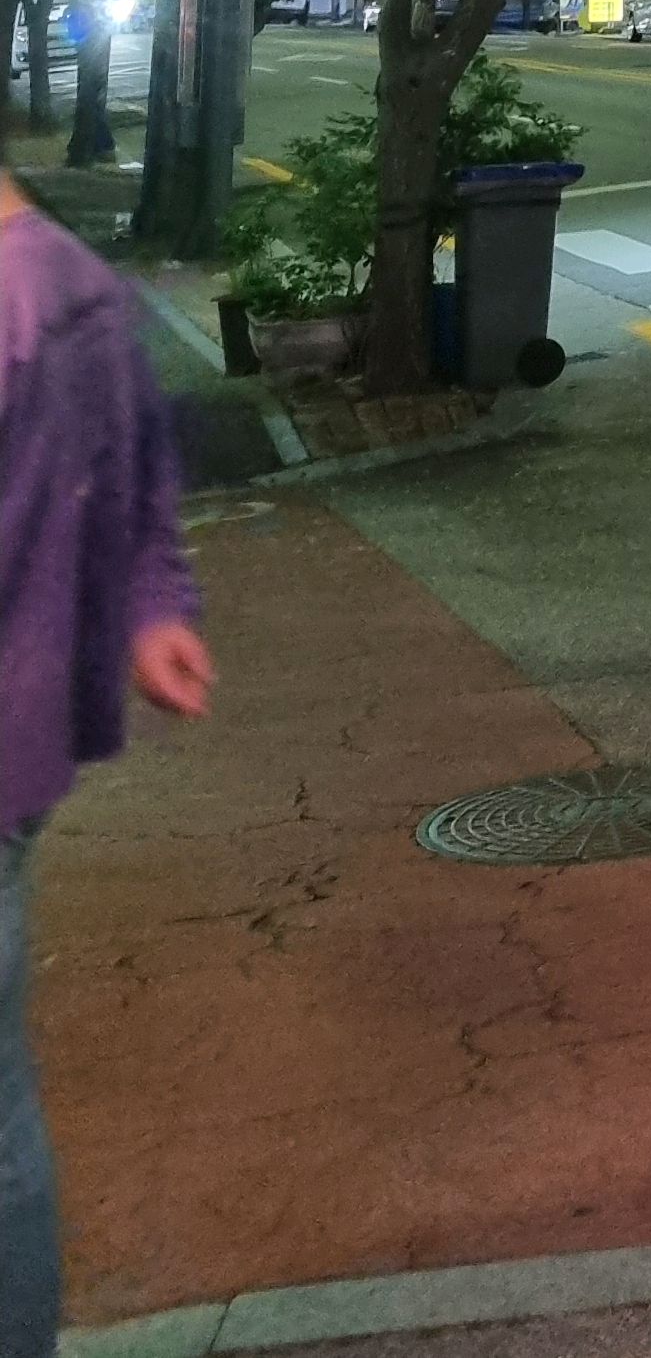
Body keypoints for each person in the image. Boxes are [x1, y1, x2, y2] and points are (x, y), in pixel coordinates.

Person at [0, 165, 213, 1358]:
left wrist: (152, 607)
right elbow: (142, 498)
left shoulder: (29, 298)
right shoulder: (73, 286)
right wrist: (154, 612)